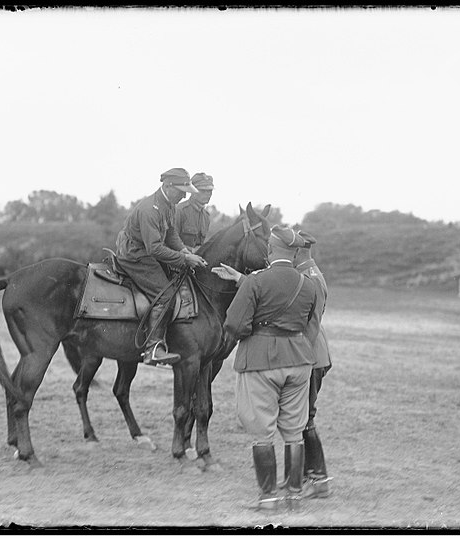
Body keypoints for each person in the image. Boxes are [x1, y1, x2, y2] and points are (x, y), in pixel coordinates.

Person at [218, 226, 318, 511]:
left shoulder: (255, 281)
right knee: (294, 431)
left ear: (271, 251)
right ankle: (295, 497)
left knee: (262, 431)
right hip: (299, 361)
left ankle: (268, 499)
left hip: (261, 360)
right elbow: (311, 321)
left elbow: (234, 324)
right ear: (296, 252)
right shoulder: (307, 283)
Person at [115, 167, 208, 367]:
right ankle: (153, 348)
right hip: (135, 254)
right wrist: (185, 260)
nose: (184, 195)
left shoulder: (169, 205)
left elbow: (171, 233)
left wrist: (185, 251)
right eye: (182, 190)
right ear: (167, 186)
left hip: (147, 250)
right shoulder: (150, 209)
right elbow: (155, 248)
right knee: (166, 295)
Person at [289, 230, 333, 498]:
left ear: (298, 251)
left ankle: (318, 480)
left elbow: (312, 326)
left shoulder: (309, 278)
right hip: (313, 354)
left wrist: (299, 358)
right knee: (303, 418)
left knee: (305, 419)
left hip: (311, 356)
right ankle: (311, 478)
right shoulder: (310, 273)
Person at [175, 173, 214, 251]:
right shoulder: (179, 211)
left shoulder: (206, 217)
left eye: (210, 191)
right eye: (203, 191)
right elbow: (169, 242)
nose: (208, 194)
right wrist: (191, 250)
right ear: (192, 191)